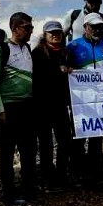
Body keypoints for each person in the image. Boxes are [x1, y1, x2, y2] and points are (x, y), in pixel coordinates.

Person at [0, 12, 37, 206]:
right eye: (27, 27)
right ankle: (9, 194)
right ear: (15, 28)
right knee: (7, 154)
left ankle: (29, 189)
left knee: (29, 150)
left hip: (28, 106)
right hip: (9, 108)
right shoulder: (2, 50)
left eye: (31, 27)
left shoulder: (27, 48)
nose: (30, 30)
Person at [66, 14, 103, 180]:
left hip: (101, 99)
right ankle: (76, 170)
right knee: (78, 135)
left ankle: (94, 170)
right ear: (85, 26)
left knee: (97, 133)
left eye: (100, 27)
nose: (97, 30)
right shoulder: (72, 46)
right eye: (93, 27)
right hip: (80, 100)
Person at [32, 20, 76, 189]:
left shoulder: (66, 53)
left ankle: (62, 174)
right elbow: (37, 79)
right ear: (45, 35)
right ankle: (49, 177)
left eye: (58, 32)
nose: (55, 35)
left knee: (65, 141)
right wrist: (58, 71)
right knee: (45, 144)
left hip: (60, 106)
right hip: (42, 106)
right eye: (52, 32)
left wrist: (70, 70)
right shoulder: (37, 53)